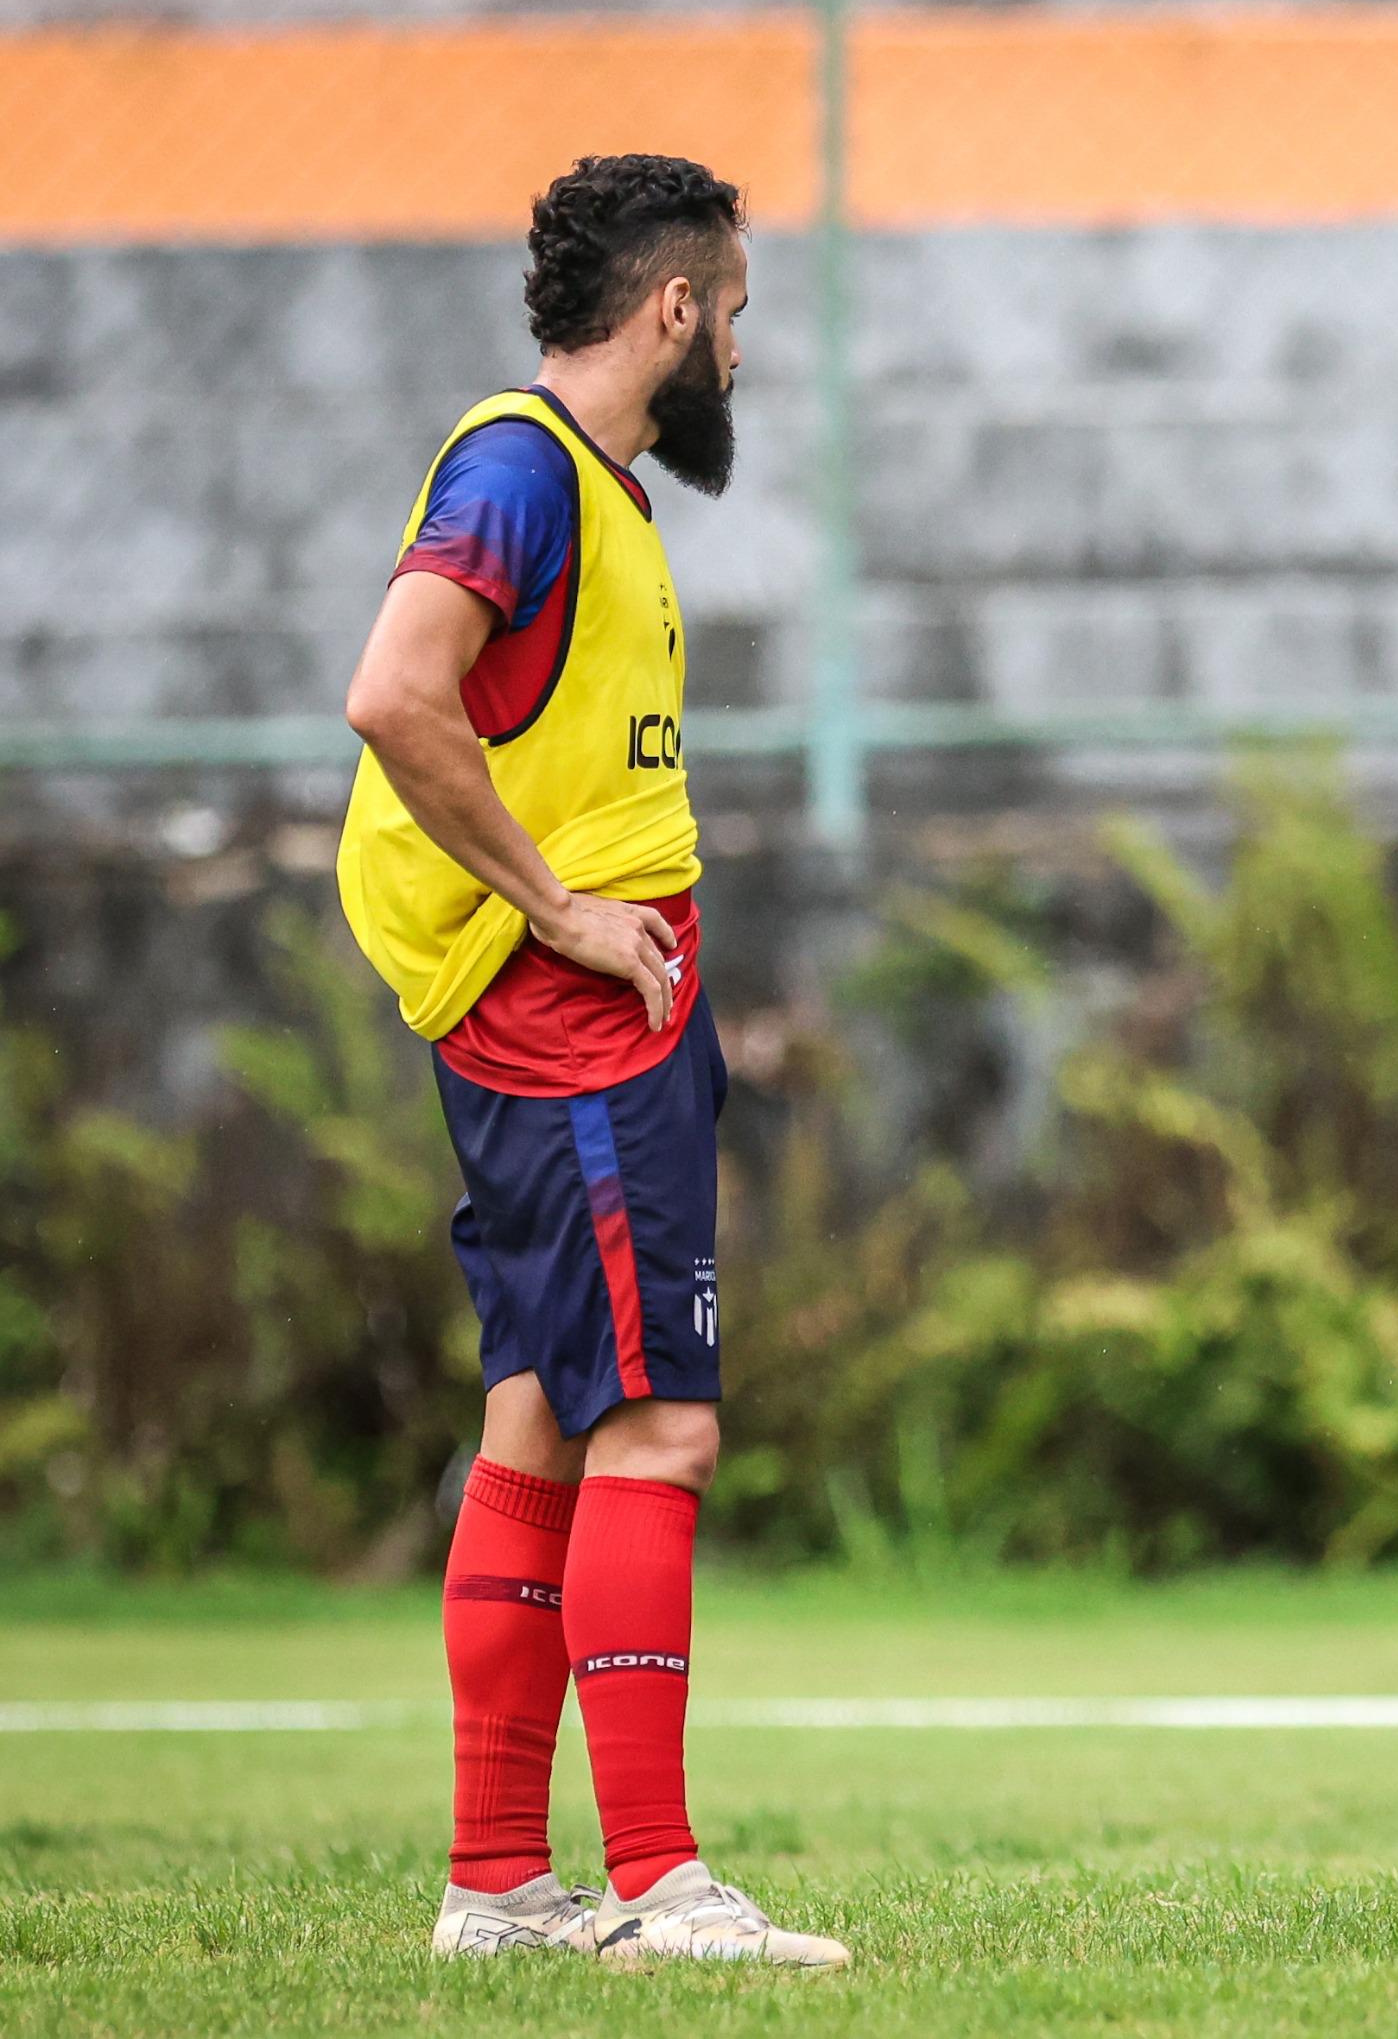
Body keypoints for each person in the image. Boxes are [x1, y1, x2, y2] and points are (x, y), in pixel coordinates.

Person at [337, 153, 845, 1968]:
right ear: (678, 310)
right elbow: (396, 692)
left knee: (544, 1415)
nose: (744, 359)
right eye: (740, 318)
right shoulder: (518, 471)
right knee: (661, 1422)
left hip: (603, 1017)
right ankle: (658, 1884)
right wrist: (558, 911)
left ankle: (498, 1886)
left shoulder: (597, 492)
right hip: (566, 1023)